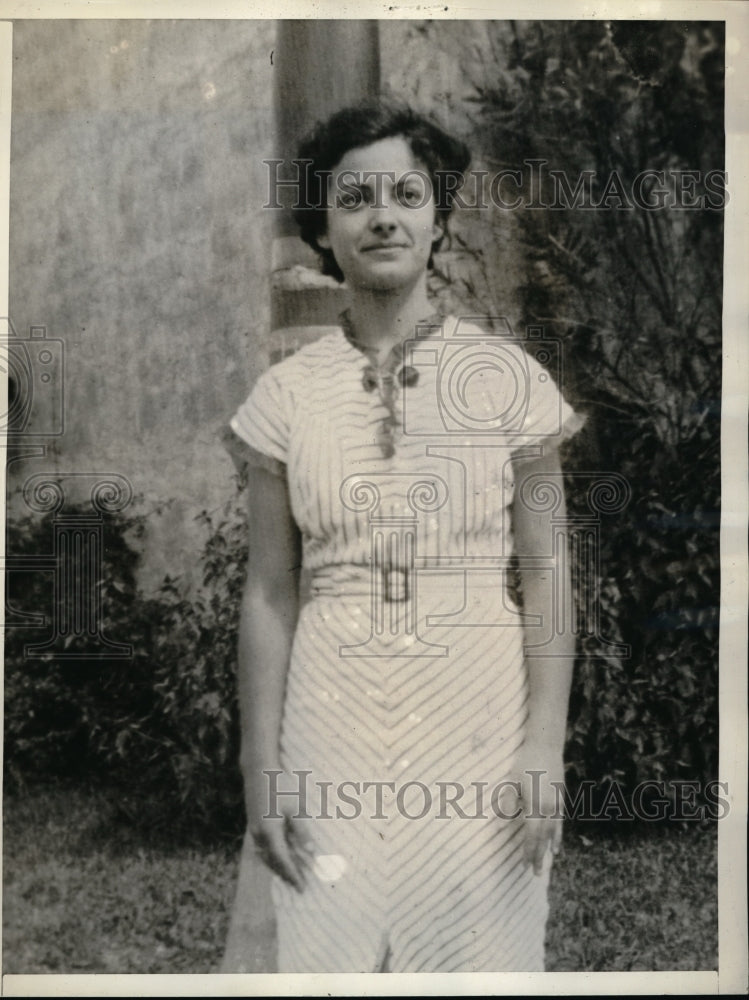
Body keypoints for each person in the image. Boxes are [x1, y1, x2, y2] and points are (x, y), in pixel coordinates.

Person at [227, 99, 585, 973]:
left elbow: (544, 574)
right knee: (330, 950)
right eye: (354, 198)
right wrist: (260, 766)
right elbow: (271, 592)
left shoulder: (506, 378)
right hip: (329, 709)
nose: (381, 214)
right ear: (323, 227)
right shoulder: (286, 397)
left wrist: (542, 746)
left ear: (435, 217)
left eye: (405, 193)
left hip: (478, 708)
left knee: (478, 952)